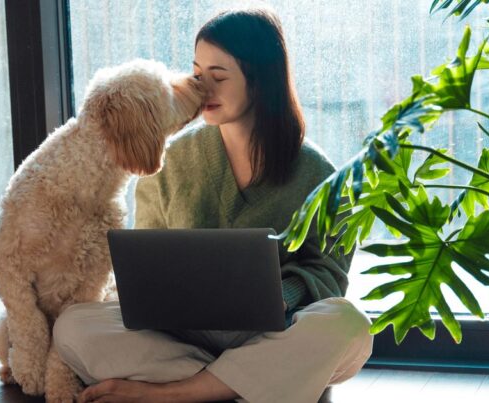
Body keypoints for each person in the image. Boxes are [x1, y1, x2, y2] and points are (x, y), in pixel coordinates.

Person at [53, 4, 373, 402]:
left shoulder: (319, 173)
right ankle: (244, 385)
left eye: (218, 76)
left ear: (260, 81)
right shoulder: (168, 162)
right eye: (198, 75)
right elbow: (145, 268)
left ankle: (173, 393)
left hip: (272, 333)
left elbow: (328, 275)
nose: (203, 88)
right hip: (181, 336)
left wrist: (278, 296)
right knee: (73, 325)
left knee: (348, 327)